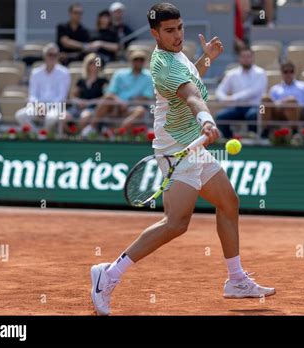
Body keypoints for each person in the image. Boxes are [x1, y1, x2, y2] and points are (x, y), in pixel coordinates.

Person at [90, 2, 275, 316]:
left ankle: (236, 280)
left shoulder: (178, 55)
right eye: (169, 31)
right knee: (176, 224)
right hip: (177, 151)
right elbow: (191, 96)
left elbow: (192, 81)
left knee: (229, 201)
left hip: (194, 147)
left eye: (179, 28)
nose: (177, 36)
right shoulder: (163, 63)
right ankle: (108, 275)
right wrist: (205, 119)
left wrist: (206, 60)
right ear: (154, 34)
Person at [81, 50, 154, 136]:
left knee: (140, 110)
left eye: (141, 60)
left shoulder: (149, 76)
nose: (138, 62)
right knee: (107, 99)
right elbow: (110, 92)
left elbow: (146, 96)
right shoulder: (119, 74)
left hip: (133, 106)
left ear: (144, 62)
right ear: (131, 61)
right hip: (116, 104)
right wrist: (120, 102)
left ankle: (116, 133)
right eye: (136, 59)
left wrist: (127, 103)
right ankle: (91, 128)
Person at [15, 44, 70, 132]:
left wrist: (47, 107)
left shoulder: (64, 73)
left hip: (56, 107)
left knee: (50, 118)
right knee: (20, 115)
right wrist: (38, 105)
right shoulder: (35, 73)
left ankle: (43, 135)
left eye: (55, 55)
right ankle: (38, 134)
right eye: (49, 54)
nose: (52, 57)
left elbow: (62, 96)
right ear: (44, 56)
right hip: (37, 107)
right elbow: (32, 94)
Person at [215, 47, 267, 138]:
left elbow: (254, 91)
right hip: (237, 107)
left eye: (248, 56)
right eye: (243, 56)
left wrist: (233, 98)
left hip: (255, 106)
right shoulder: (232, 74)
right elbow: (220, 90)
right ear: (239, 58)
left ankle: (253, 139)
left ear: (253, 58)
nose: (246, 59)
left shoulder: (261, 73)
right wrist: (224, 99)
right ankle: (230, 138)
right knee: (220, 117)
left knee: (253, 115)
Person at [263, 60, 304, 134]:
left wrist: (292, 103)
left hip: (298, 113)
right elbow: (271, 106)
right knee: (264, 101)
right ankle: (264, 128)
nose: (288, 74)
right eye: (285, 72)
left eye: (291, 71)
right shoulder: (275, 89)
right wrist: (282, 103)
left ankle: (294, 131)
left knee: (291, 102)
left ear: (294, 73)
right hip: (278, 112)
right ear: (281, 73)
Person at [69, 53, 108, 132]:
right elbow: (72, 96)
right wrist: (80, 102)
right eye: (91, 63)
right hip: (79, 107)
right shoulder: (81, 81)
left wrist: (90, 102)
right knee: (63, 117)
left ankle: (78, 138)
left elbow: (105, 97)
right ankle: (70, 135)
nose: (93, 65)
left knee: (85, 116)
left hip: (94, 108)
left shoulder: (103, 81)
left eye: (95, 63)